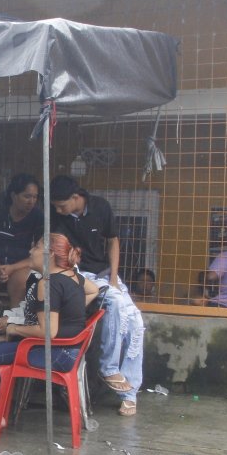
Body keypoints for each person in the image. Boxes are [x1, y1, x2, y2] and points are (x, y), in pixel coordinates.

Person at [0, 233, 88, 434]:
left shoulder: (47, 284)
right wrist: (69, 319)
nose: (30, 251)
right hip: (70, 351)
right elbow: (92, 293)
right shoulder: (74, 276)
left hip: (54, 354)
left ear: (48, 255)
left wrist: (12, 328)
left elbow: (48, 330)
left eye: (36, 248)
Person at [50, 175, 144, 416]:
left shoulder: (100, 206)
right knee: (114, 302)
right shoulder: (56, 218)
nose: (58, 210)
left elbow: (113, 241)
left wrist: (113, 277)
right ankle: (108, 367)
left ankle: (130, 393)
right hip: (78, 275)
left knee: (135, 319)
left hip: (103, 274)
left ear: (76, 197)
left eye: (62, 205)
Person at [0, 173, 43, 306]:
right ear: (13, 196)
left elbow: (40, 255)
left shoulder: (39, 219)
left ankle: (13, 324)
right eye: (27, 196)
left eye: (35, 197)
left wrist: (12, 268)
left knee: (21, 283)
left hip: (22, 267)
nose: (32, 201)